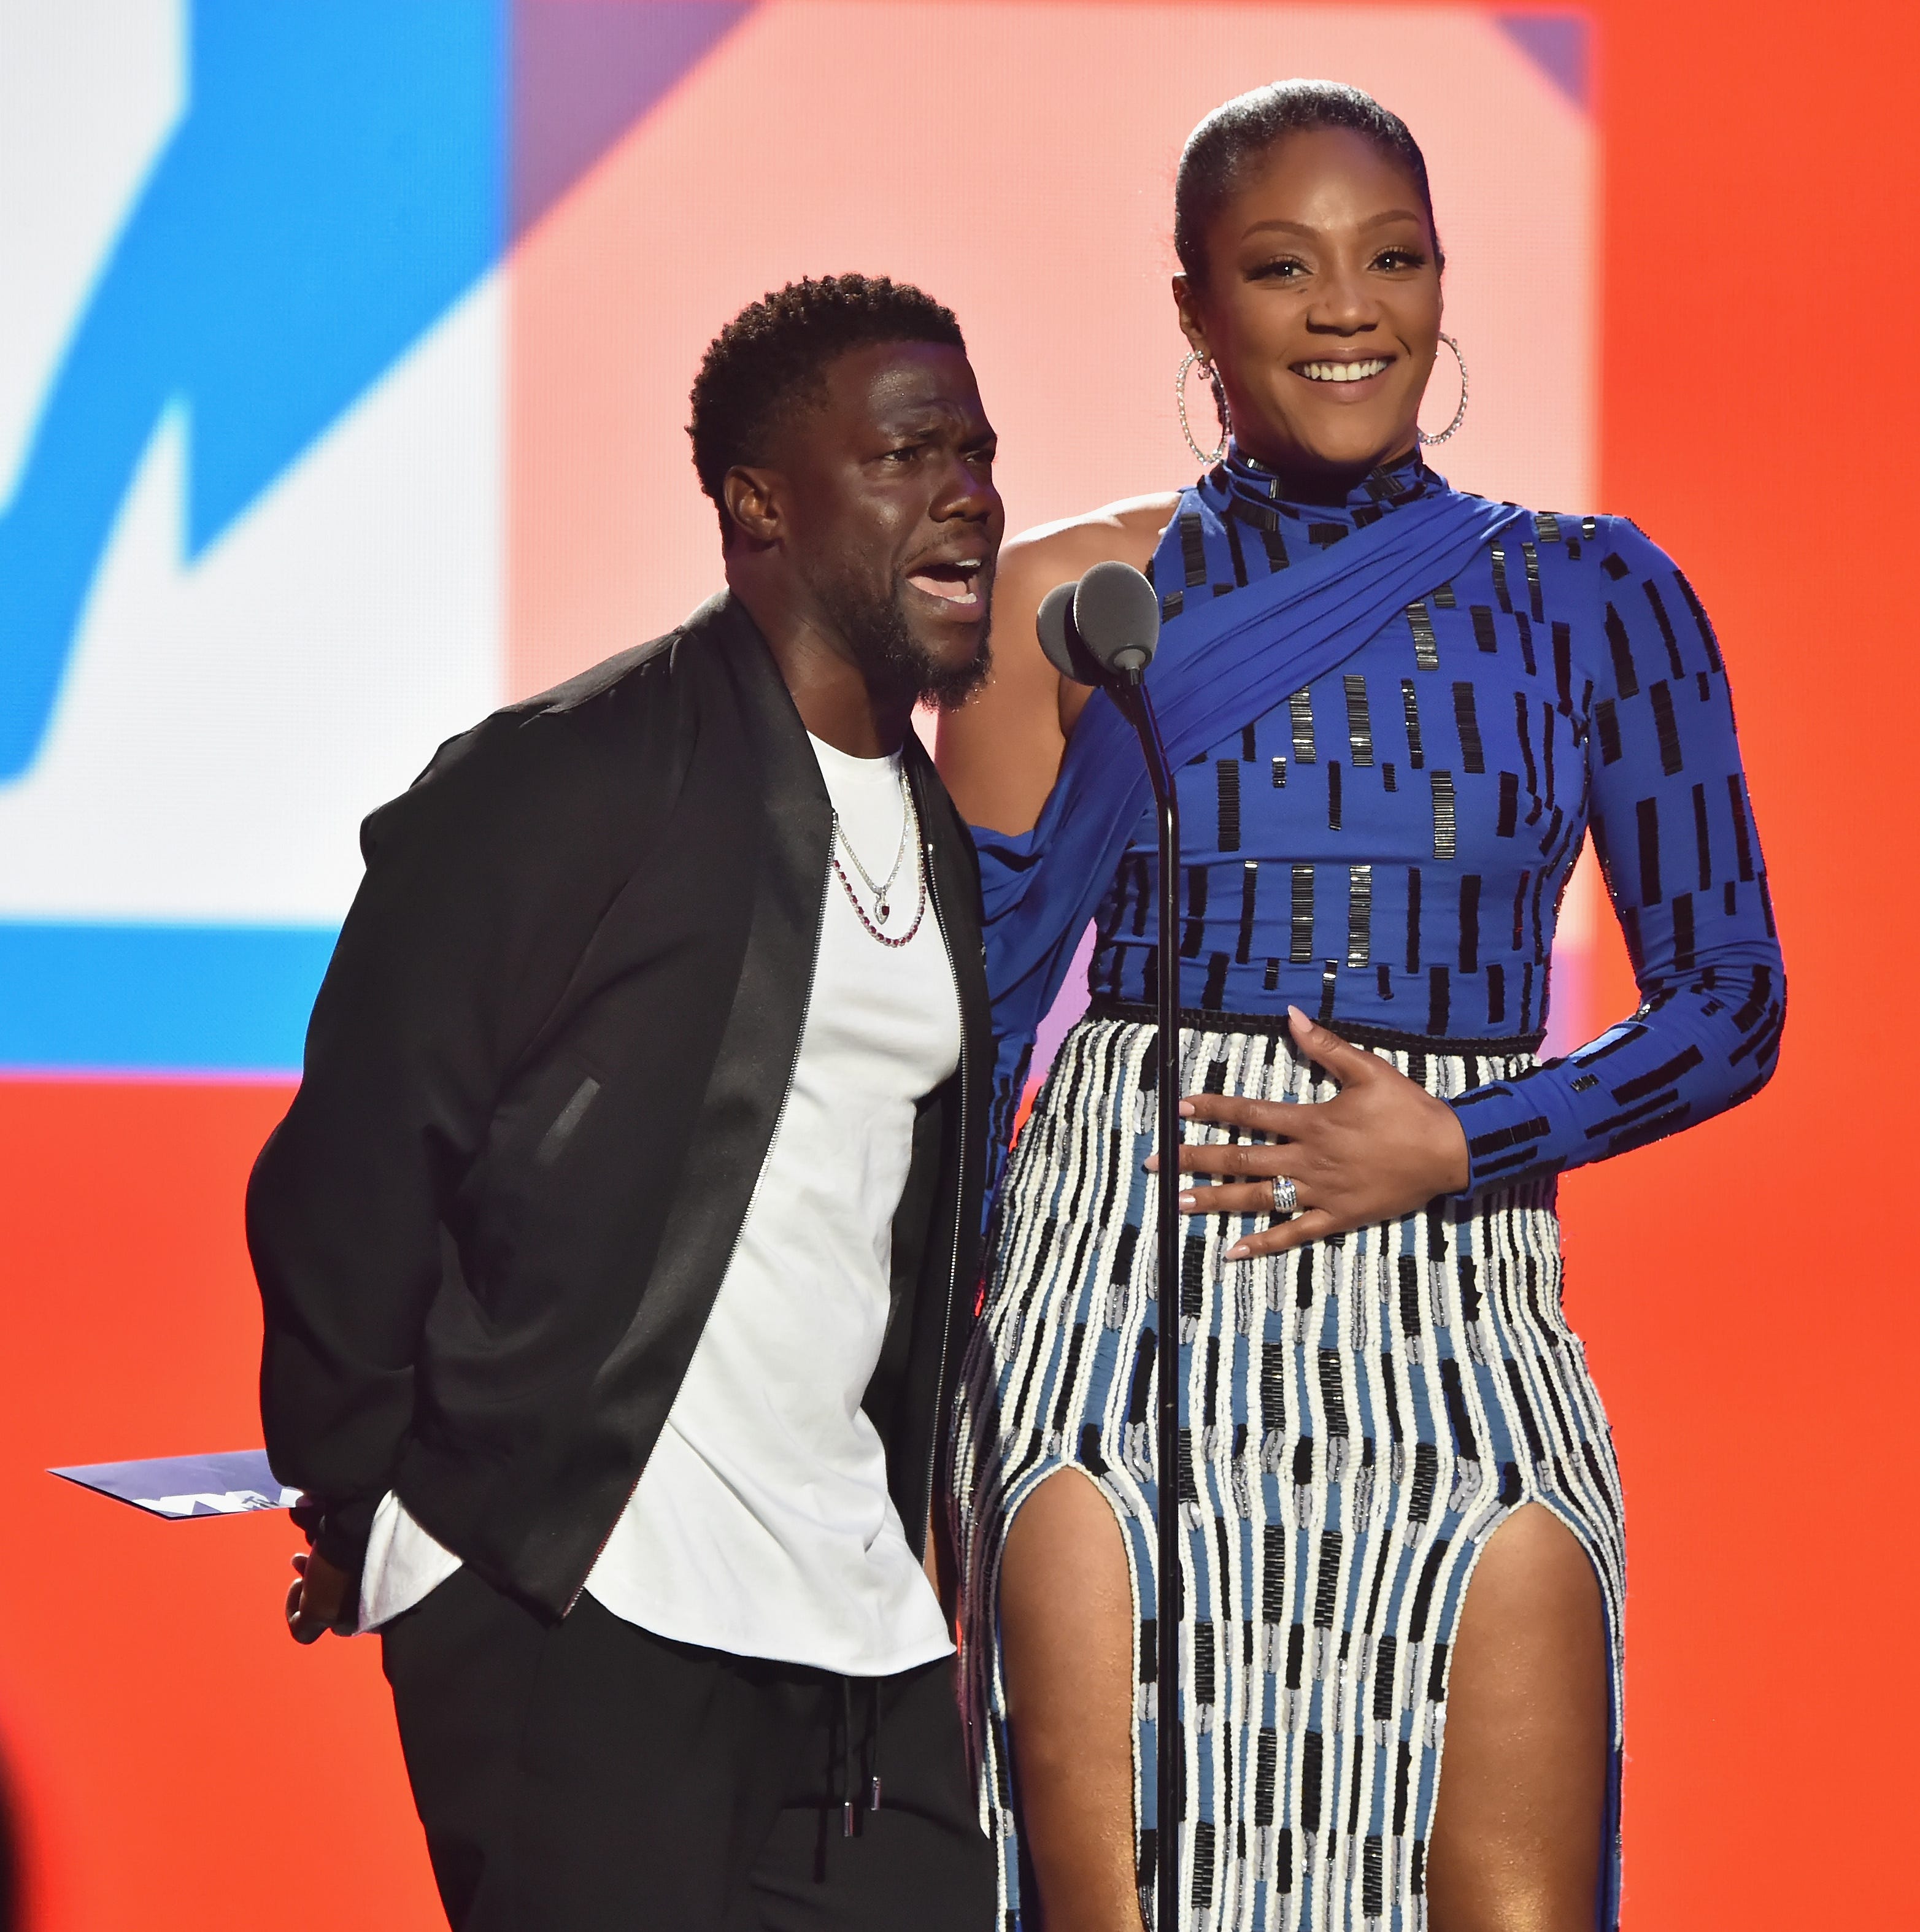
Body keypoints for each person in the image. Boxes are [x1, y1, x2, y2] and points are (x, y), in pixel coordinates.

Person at [941, 84, 1783, 1932]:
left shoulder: (1595, 600)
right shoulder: (1059, 607)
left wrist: (1459, 1139)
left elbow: (1731, 1004)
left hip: (1454, 1317)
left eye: (1389, 260)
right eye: (1282, 266)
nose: (1346, 309)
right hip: (1123, 1300)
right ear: (1193, 311)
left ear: (1439, 286)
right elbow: (959, 1046)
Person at [248, 274, 1004, 1932]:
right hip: (580, 1604)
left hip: (851, 1626)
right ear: (759, 503)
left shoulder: (929, 828)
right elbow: (357, 1161)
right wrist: (388, 1511)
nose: (964, 492)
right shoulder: (571, 776)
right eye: (903, 456)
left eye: (975, 451)